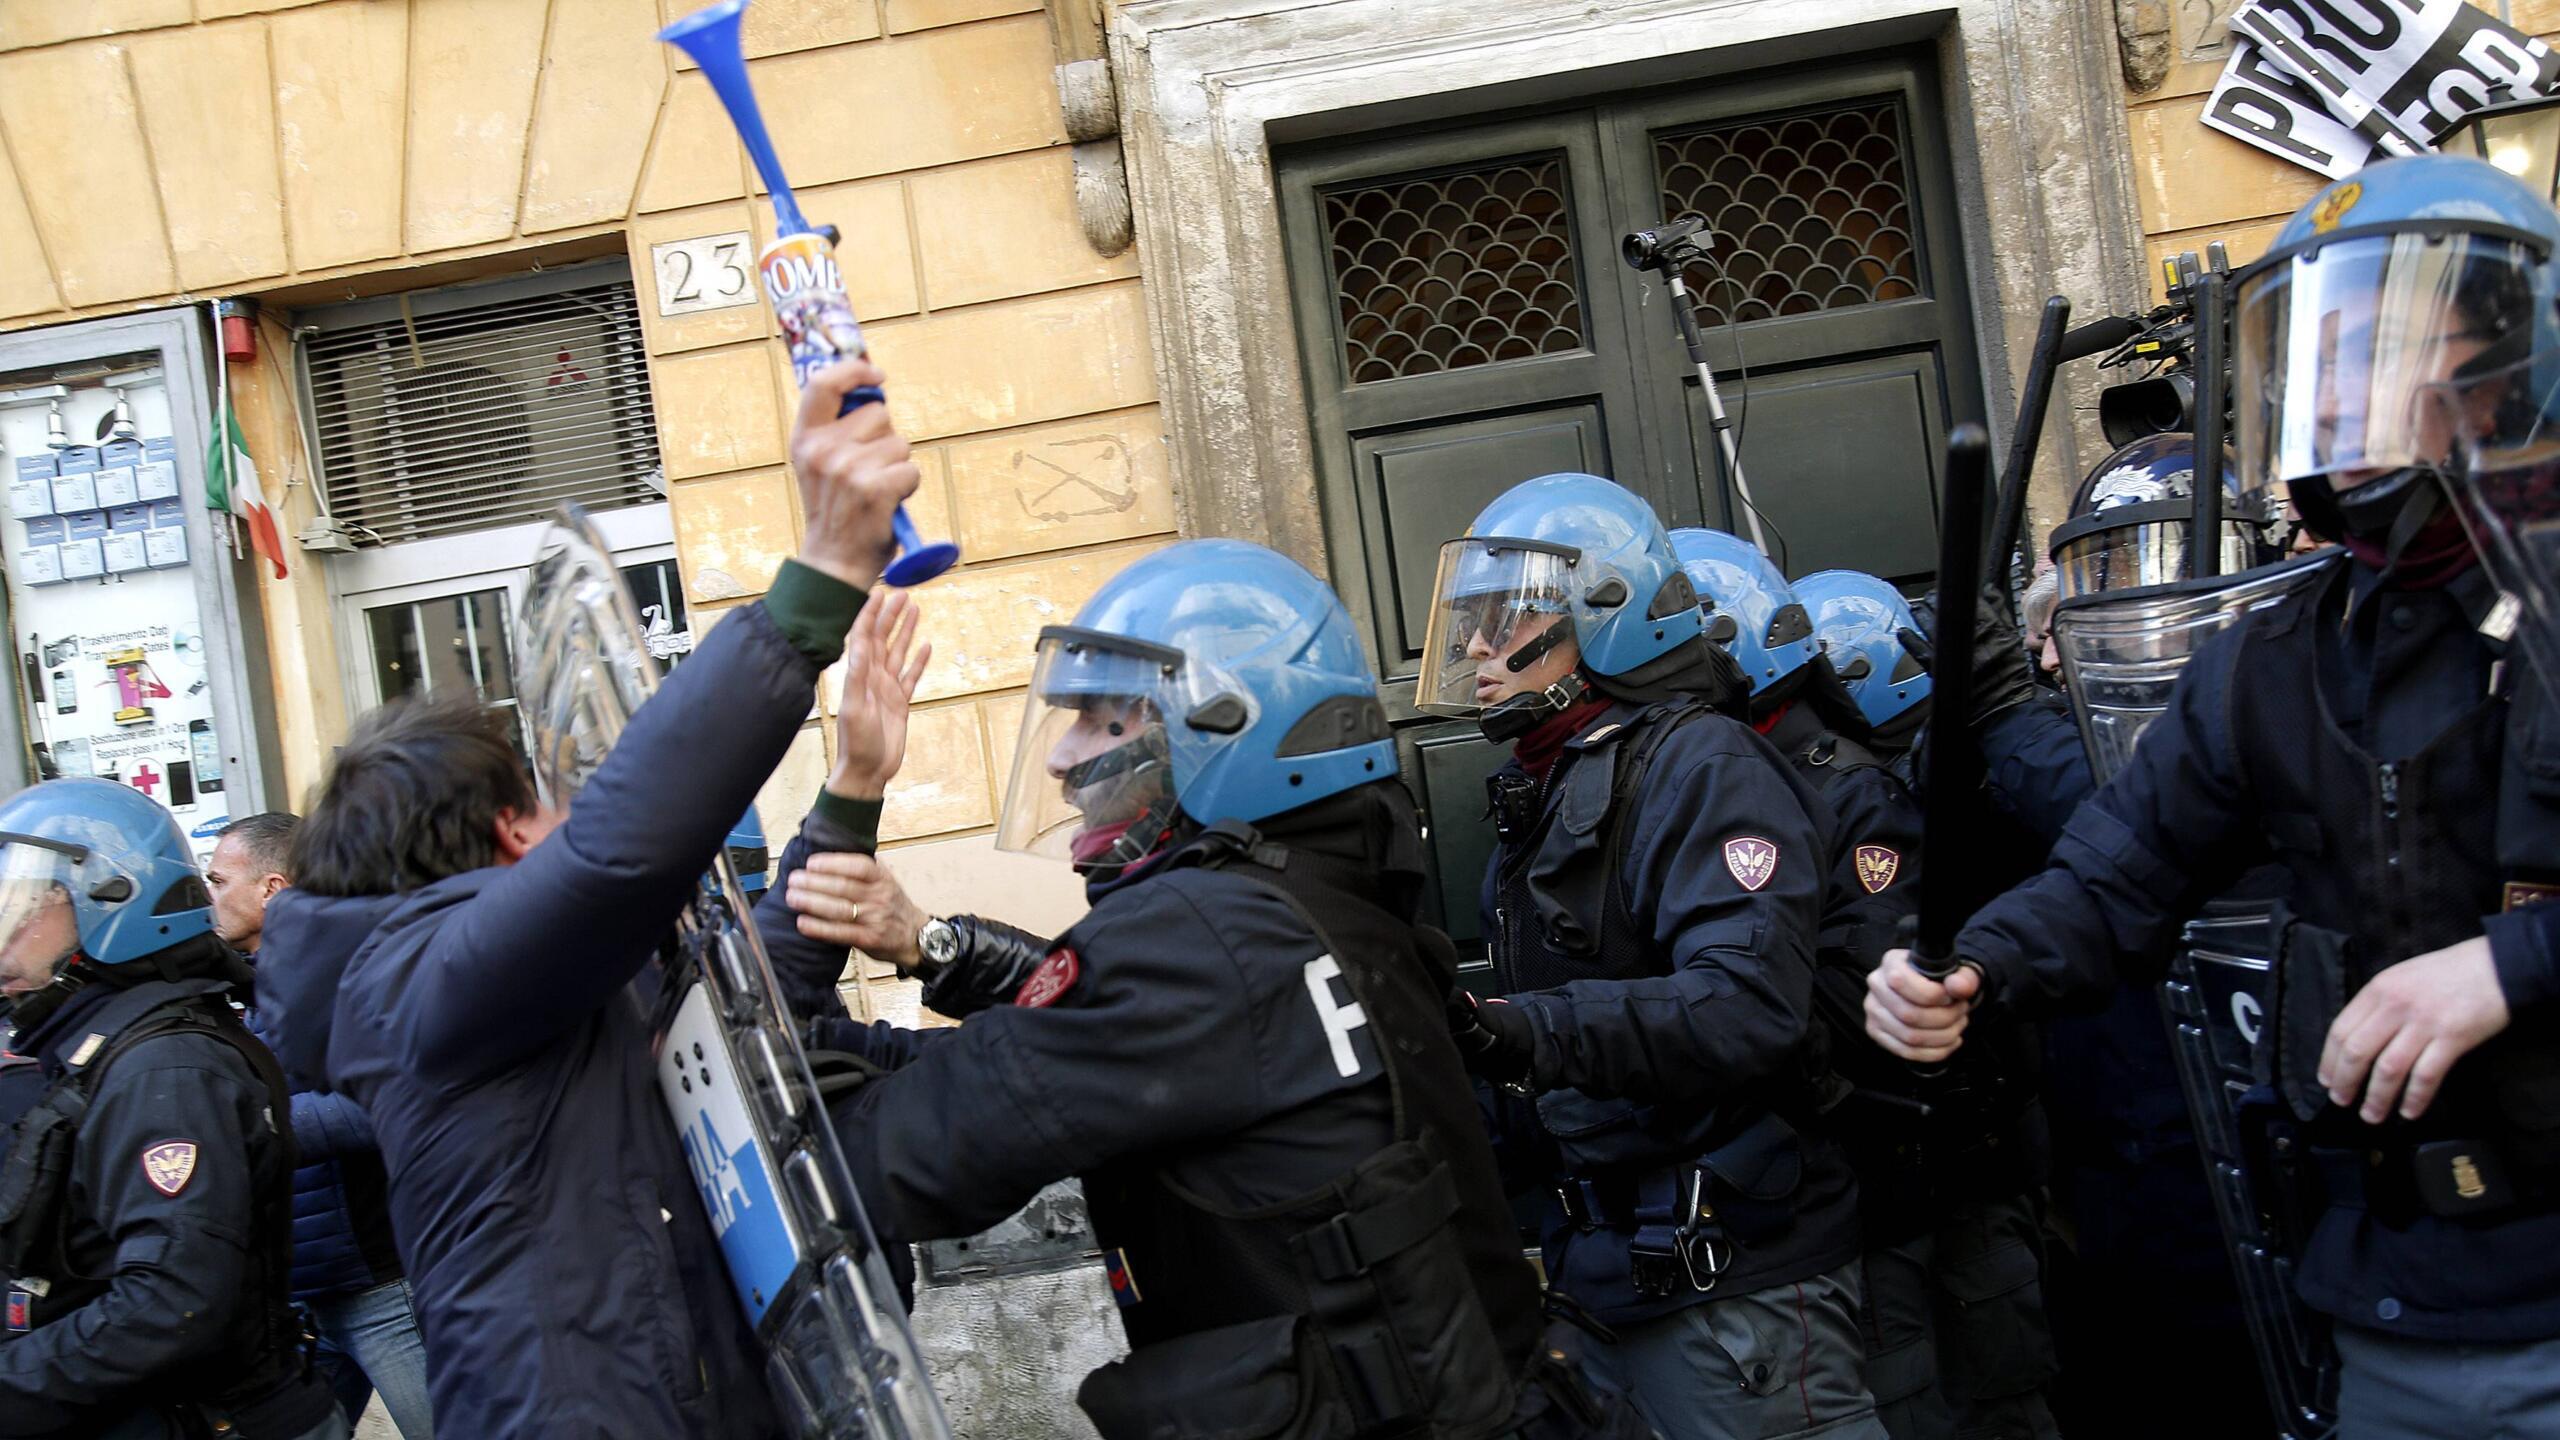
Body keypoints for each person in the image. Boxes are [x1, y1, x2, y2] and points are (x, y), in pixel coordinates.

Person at [1866, 154, 2560, 1437]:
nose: (2335, 397)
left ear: (2512, 359)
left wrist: (2510, 965)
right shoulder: (2281, 652)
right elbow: (2116, 869)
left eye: (2385, 350)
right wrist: (1972, 968)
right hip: (2396, 1301)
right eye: (2316, 359)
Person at [774, 537, 1649, 1440]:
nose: (1062, 759)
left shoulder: (1203, 937)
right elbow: (1038, 1051)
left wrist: (760, 1068)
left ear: (1222, 731)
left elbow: (892, 1162)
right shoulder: (1312, 901)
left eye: (1104, 723)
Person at [253, 356, 921, 1439]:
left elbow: (748, 995)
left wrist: (850, 791)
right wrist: (819, 580)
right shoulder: (422, 983)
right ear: (514, 830)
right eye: (551, 798)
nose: (577, 808)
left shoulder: (549, 983)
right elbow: (623, 852)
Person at [1411, 475, 1880, 1440]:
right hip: (1614, 1281)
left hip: (1735, 1289)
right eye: (1469, 622)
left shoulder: (1703, 766)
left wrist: (1519, 1034)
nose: (1471, 648)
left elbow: (1742, 1005)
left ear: (1604, 615)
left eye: (1503, 620)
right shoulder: (1547, 789)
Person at [1687, 544, 2061, 1440]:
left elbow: (1876, 1004)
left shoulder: (1842, 792)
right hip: (1860, 1200)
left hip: (1930, 1184)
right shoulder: (1749, 782)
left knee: (1971, 1408)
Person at [0, 778, 344, 1440]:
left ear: (107, 901)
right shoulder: (104, 1044)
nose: (9, 924)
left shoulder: (169, 1067)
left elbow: (171, 1302)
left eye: (29, 900)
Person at [210, 813, 435, 1439]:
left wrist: (258, 1130)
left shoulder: (341, 978)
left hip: (384, 1289)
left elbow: (385, 1104)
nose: (210, 896)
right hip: (312, 1295)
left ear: (272, 888)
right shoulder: (254, 988)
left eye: (219, 880)